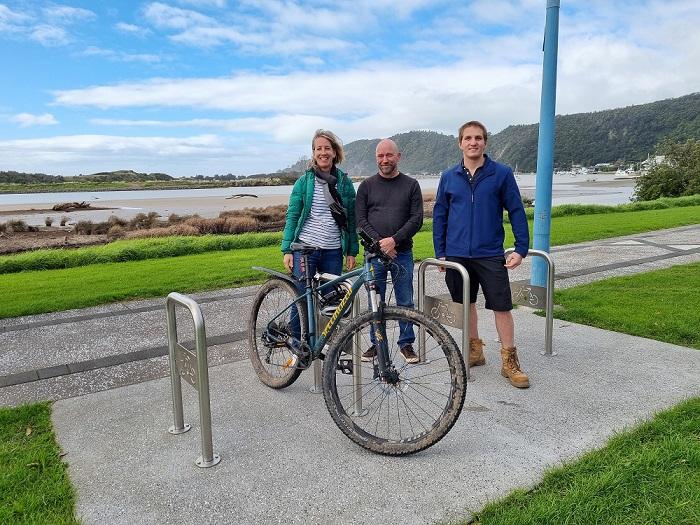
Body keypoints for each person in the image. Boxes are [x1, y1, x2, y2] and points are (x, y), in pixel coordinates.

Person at [432, 121, 531, 388]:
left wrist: (521, 248)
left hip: (489, 254)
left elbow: (516, 211)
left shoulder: (501, 174)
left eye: (478, 138)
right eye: (468, 138)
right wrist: (440, 253)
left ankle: (510, 361)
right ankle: (475, 351)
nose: (473, 142)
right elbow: (440, 215)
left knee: (502, 306)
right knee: (466, 304)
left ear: (485, 142)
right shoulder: (449, 176)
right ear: (460, 143)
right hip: (456, 254)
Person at [356, 139, 423, 363]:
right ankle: (377, 344)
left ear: (398, 156)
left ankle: (406, 344)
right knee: (375, 301)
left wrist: (394, 240)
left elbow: (416, 219)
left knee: (406, 300)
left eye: (389, 155)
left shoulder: (411, 185)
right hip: (374, 255)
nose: (384, 160)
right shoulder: (366, 186)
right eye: (380, 156)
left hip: (402, 253)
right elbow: (361, 221)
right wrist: (381, 244)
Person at [281, 129, 359, 309]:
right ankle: (296, 337)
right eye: (318, 149)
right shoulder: (303, 182)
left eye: (327, 148)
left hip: (333, 251)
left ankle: (328, 339)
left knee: (331, 302)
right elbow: (292, 216)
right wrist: (287, 250)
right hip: (306, 249)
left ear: (334, 152)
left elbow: (351, 220)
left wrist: (351, 251)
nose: (323, 152)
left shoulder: (344, 183)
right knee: (301, 301)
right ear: (314, 153)